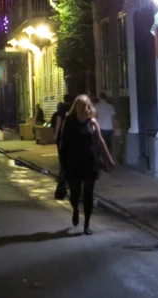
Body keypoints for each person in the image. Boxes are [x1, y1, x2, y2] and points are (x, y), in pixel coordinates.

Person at [59, 95, 114, 234]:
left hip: (90, 161)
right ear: (75, 106)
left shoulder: (92, 121)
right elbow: (63, 142)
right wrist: (62, 162)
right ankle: (76, 209)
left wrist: (108, 159)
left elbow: (101, 141)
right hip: (73, 162)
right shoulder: (69, 121)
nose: (83, 108)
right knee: (74, 193)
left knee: (88, 194)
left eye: (85, 105)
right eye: (80, 105)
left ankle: (87, 225)